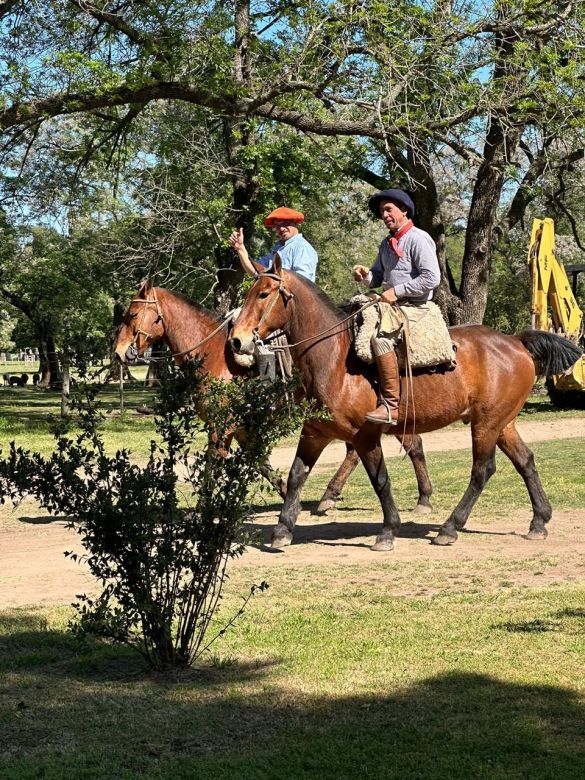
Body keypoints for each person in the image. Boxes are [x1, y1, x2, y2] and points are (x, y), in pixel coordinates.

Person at [353, 188, 441, 425]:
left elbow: (432, 278)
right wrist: (365, 276)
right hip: (392, 306)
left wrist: (397, 291)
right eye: (382, 211)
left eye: (389, 209)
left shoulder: (418, 238)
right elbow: (378, 277)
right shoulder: (386, 243)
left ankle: (391, 406)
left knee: (380, 339)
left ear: (404, 210)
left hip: (415, 307)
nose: (385, 215)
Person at [228, 207, 318, 282]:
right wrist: (240, 248)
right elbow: (255, 271)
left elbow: (303, 282)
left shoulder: (302, 247)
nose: (281, 228)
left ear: (295, 223)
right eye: (277, 226)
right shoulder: (278, 249)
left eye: (285, 223)